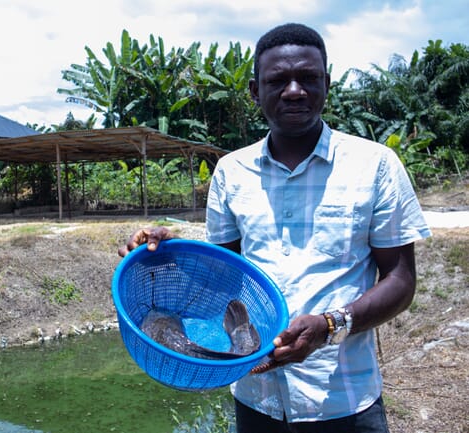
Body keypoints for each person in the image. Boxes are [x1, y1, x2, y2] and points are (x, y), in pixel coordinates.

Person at [118, 23, 432, 433]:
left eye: (308, 78)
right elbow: (224, 277)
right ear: (254, 91)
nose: (295, 90)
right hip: (256, 399)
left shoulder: (374, 166)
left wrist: (330, 325)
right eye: (278, 80)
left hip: (344, 401)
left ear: (327, 83)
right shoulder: (232, 171)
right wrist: (169, 250)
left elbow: (401, 279)